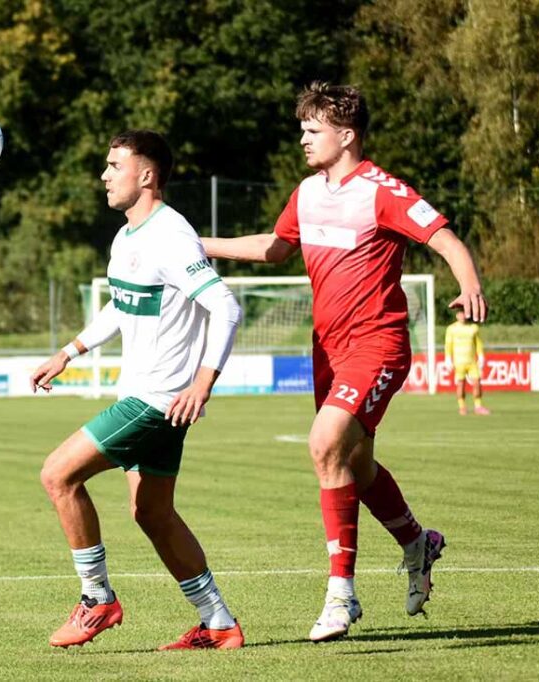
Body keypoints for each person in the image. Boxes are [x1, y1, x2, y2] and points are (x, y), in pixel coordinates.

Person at [201, 82, 488, 642]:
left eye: (313, 130)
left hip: (378, 344)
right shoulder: (307, 193)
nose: (303, 140)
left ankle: (341, 596)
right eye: (303, 129)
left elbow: (445, 238)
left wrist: (470, 283)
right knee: (354, 469)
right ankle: (417, 543)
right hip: (327, 350)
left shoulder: (383, 191)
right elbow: (275, 248)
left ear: (346, 135)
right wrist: (200, 243)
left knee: (323, 444)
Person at [32, 130, 245, 650]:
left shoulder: (171, 237)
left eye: (114, 165)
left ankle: (96, 599)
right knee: (152, 513)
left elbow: (226, 307)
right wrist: (69, 351)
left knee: (57, 476)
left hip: (154, 401)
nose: (104, 175)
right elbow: (122, 304)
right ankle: (218, 623)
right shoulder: (128, 236)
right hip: (155, 401)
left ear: (146, 175)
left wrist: (203, 381)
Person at [444, 308, 490, 415]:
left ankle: (478, 406)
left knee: (477, 382)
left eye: (464, 313)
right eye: (460, 313)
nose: (462, 315)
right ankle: (462, 406)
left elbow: (478, 343)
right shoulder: (451, 329)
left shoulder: (473, 328)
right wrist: (448, 358)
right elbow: (448, 344)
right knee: (461, 384)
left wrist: (481, 356)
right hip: (459, 362)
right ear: (457, 315)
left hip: (471, 361)